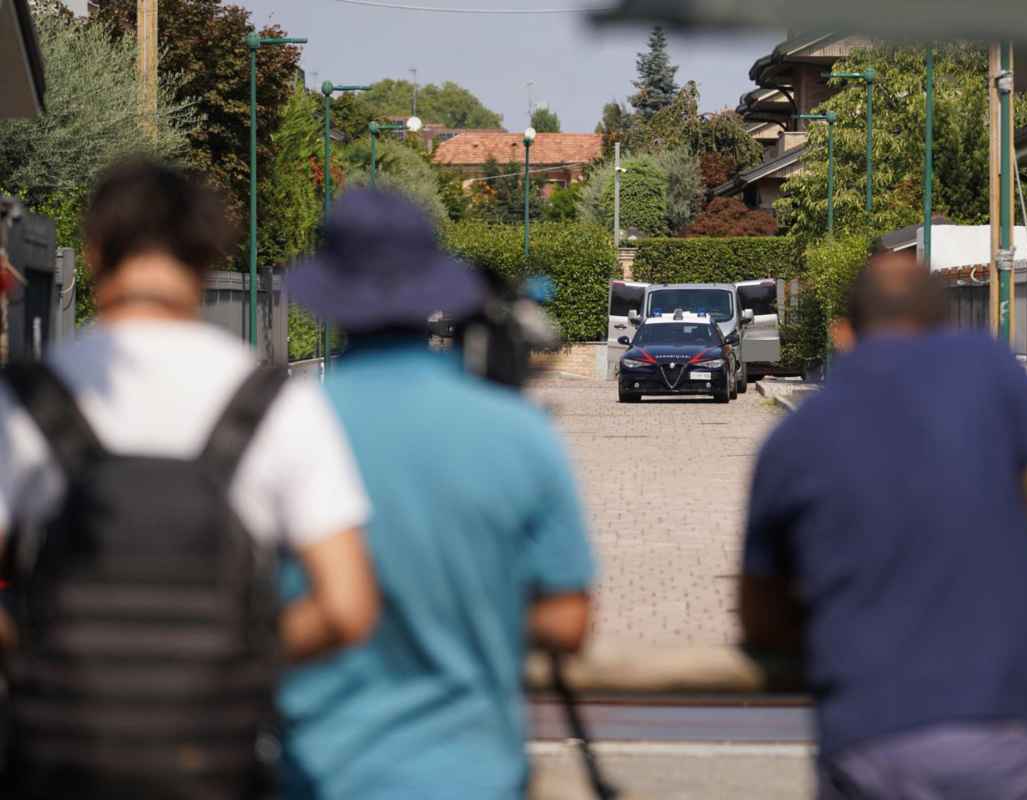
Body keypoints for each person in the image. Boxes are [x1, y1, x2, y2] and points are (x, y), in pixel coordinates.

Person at [0, 159, 379, 794]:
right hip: (214, 764)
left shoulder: (27, 401)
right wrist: (236, 660)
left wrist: (45, 654)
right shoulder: (273, 404)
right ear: (206, 260)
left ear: (94, 252)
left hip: (57, 764)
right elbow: (347, 607)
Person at [740, 252, 1027, 800]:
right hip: (1004, 723)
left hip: (870, 735)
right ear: (947, 322)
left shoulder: (793, 439)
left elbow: (760, 619)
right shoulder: (988, 367)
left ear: (844, 335)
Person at [279, 188, 595, 800]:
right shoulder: (519, 431)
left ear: (330, 296)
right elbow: (567, 620)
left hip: (317, 773)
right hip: (474, 774)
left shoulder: (276, 427)